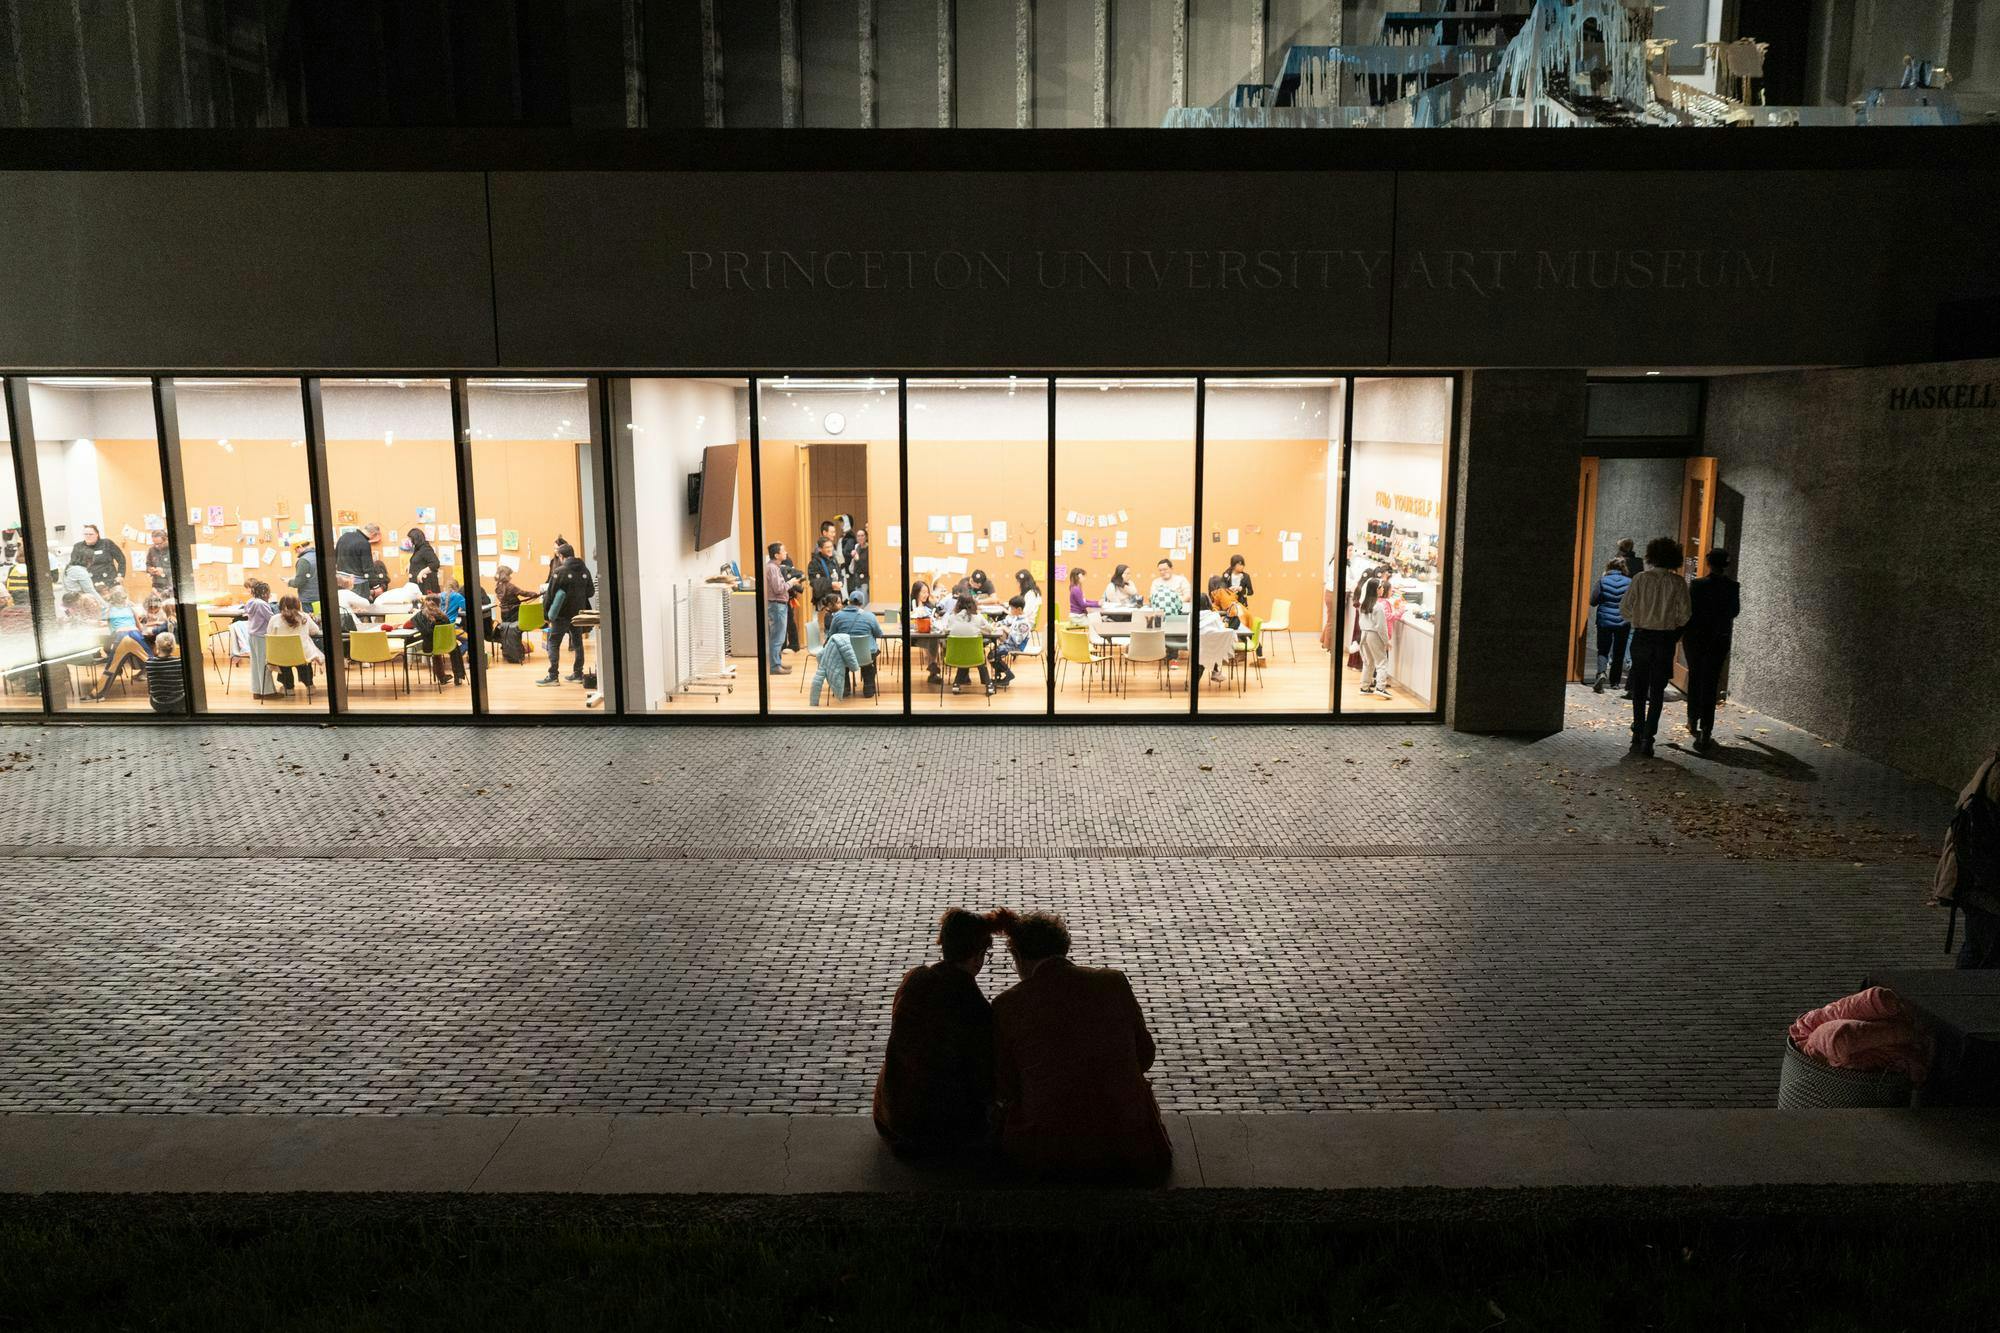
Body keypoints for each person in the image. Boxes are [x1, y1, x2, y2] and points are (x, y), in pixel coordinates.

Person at [991, 910, 1171, 1183]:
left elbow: (1006, 1085)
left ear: (1018, 957)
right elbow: (1144, 1055)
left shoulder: (1008, 1004)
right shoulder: (1113, 982)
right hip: (1128, 1149)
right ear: (1064, 947)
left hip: (1049, 1155)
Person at [873, 907, 1010, 1156]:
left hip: (895, 1118)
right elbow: (984, 1075)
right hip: (943, 1131)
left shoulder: (914, 979)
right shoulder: (974, 1006)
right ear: (977, 956)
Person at [1929, 748, 2000, 969]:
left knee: (1977, 949)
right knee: (1985, 954)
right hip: (1986, 884)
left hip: (1974, 879)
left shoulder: (1991, 766)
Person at [1620, 536, 1691, 757]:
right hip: (1664, 640)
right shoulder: (1678, 583)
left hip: (1642, 636)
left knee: (1639, 687)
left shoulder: (1640, 579)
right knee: (1657, 689)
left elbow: (1625, 608)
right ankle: (1649, 736)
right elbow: (1685, 615)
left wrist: (1639, 619)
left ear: (1651, 555)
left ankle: (1637, 729)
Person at [1683, 547, 1740, 753]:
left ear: (1708, 563)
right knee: (1711, 682)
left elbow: (1689, 610)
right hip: (1719, 639)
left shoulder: (1698, 585)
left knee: (1696, 678)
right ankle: (1707, 728)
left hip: (1696, 638)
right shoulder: (1733, 586)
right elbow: (1735, 611)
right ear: (1726, 564)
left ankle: (1692, 719)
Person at [538, 543, 594, 687]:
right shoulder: (585, 570)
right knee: (577, 643)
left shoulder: (559, 571)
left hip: (561, 615)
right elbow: (590, 592)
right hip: (578, 614)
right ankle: (577, 674)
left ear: (561, 556)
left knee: (553, 643)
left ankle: (553, 676)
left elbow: (549, 595)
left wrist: (546, 614)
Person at [826, 590, 885, 699]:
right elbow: (879, 634)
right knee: (870, 658)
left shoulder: (838, 616)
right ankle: (869, 687)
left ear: (849, 601)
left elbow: (831, 635)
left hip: (845, 654)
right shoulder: (870, 616)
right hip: (866, 655)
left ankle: (845, 688)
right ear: (862, 603)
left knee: (843, 657)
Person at [264, 594, 326, 695]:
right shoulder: (304, 617)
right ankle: (309, 686)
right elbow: (315, 631)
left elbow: (270, 635)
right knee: (304, 660)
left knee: (284, 661)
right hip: (302, 655)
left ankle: (289, 688)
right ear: (298, 605)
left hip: (281, 656)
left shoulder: (274, 619)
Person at [1588, 557, 1633, 694]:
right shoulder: (1629, 582)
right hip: (1623, 621)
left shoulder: (1602, 581)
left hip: (1604, 620)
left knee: (1603, 650)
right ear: (1623, 568)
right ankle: (1615, 682)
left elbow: (1593, 601)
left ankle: (1601, 673)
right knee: (1619, 652)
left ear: (1608, 567)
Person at [943, 593, 997, 695]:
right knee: (977, 654)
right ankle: (989, 685)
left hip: (955, 657)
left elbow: (946, 630)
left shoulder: (951, 617)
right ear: (973, 604)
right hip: (975, 657)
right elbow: (990, 630)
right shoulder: (978, 617)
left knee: (964, 653)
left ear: (958, 604)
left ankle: (956, 684)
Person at [1353, 572, 1391, 698]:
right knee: (1382, 662)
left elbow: (1360, 622)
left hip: (1364, 633)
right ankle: (1380, 687)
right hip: (1374, 635)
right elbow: (1381, 627)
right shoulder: (1378, 607)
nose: (1383, 589)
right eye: (1381, 587)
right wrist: (1386, 641)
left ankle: (1364, 686)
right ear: (1376, 590)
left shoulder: (1364, 604)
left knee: (1368, 662)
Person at [405, 593, 455, 687]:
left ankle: (441, 676)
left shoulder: (421, 616)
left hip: (430, 647)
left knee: (419, 642)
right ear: (439, 604)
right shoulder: (443, 616)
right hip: (447, 645)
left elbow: (406, 625)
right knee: (436, 649)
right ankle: (442, 676)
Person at [242, 578, 278, 697]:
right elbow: (271, 619)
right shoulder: (262, 604)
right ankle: (267, 692)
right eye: (269, 593)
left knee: (255, 664)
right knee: (264, 664)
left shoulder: (251, 602)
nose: (270, 595)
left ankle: (257, 691)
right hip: (262, 637)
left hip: (252, 636)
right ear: (264, 593)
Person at [764, 542, 795, 675]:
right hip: (777, 605)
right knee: (777, 637)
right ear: (776, 555)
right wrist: (791, 583)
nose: (786, 552)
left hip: (778, 605)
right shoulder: (772, 568)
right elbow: (778, 589)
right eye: (783, 551)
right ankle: (774, 666)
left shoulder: (773, 567)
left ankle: (777, 662)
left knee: (778, 636)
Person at [991, 594, 1033, 689]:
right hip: (1009, 643)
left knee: (993, 655)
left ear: (1018, 609)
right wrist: (996, 624)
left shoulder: (1024, 623)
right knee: (993, 653)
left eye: (1011, 608)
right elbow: (1005, 621)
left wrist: (1006, 629)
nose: (1010, 610)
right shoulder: (1016, 617)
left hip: (1015, 646)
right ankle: (1000, 675)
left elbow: (1017, 641)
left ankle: (1008, 675)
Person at [142, 631, 186, 714]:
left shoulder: (149, 663)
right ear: (173, 646)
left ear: (157, 645)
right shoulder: (180, 661)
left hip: (157, 704)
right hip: (179, 702)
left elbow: (150, 687)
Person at [334, 523, 380, 592]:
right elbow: (367, 568)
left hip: (341, 581)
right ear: (373, 534)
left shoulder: (344, 536)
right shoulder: (364, 543)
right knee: (360, 602)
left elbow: (335, 556)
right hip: (357, 584)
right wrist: (376, 586)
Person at [405, 526, 442, 595]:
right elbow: (419, 559)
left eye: (410, 539)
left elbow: (435, 563)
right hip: (419, 585)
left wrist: (422, 572)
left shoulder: (425, 548)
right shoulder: (418, 548)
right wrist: (410, 564)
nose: (409, 541)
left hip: (426, 586)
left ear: (415, 539)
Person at [807, 535, 843, 606]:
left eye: (831, 546)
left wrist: (841, 583)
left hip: (837, 596)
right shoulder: (814, 563)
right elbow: (815, 582)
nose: (830, 549)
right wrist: (831, 584)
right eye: (827, 547)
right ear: (820, 549)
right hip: (823, 599)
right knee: (826, 617)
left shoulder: (834, 560)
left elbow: (840, 575)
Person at [1013, 569, 1043, 647]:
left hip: (1027, 622)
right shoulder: (1031, 593)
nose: (1017, 584)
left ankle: (1009, 647)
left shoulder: (1031, 594)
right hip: (1026, 620)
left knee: (1003, 623)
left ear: (1023, 583)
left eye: (1018, 581)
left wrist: (1011, 611)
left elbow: (1025, 612)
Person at [846, 527, 871, 606]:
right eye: (858, 536)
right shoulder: (857, 547)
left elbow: (867, 567)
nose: (860, 538)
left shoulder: (869, 549)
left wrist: (857, 559)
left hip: (865, 580)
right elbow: (853, 567)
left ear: (866, 537)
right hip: (856, 580)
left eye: (862, 535)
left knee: (864, 602)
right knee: (857, 603)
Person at [144, 529, 173, 596]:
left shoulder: (173, 549)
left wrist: (164, 571)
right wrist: (150, 570)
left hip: (171, 585)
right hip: (157, 585)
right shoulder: (151, 550)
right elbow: (148, 564)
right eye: (154, 543)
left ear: (166, 540)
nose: (156, 546)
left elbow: (180, 570)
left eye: (159, 543)